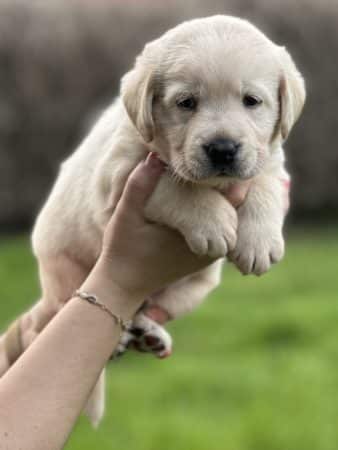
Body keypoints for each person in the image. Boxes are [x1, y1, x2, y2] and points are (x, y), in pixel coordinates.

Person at [0, 152, 250, 450]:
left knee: (202, 281)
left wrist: (25, 333)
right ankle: (120, 324)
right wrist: (118, 286)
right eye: (187, 102)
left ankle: (129, 323)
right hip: (76, 252)